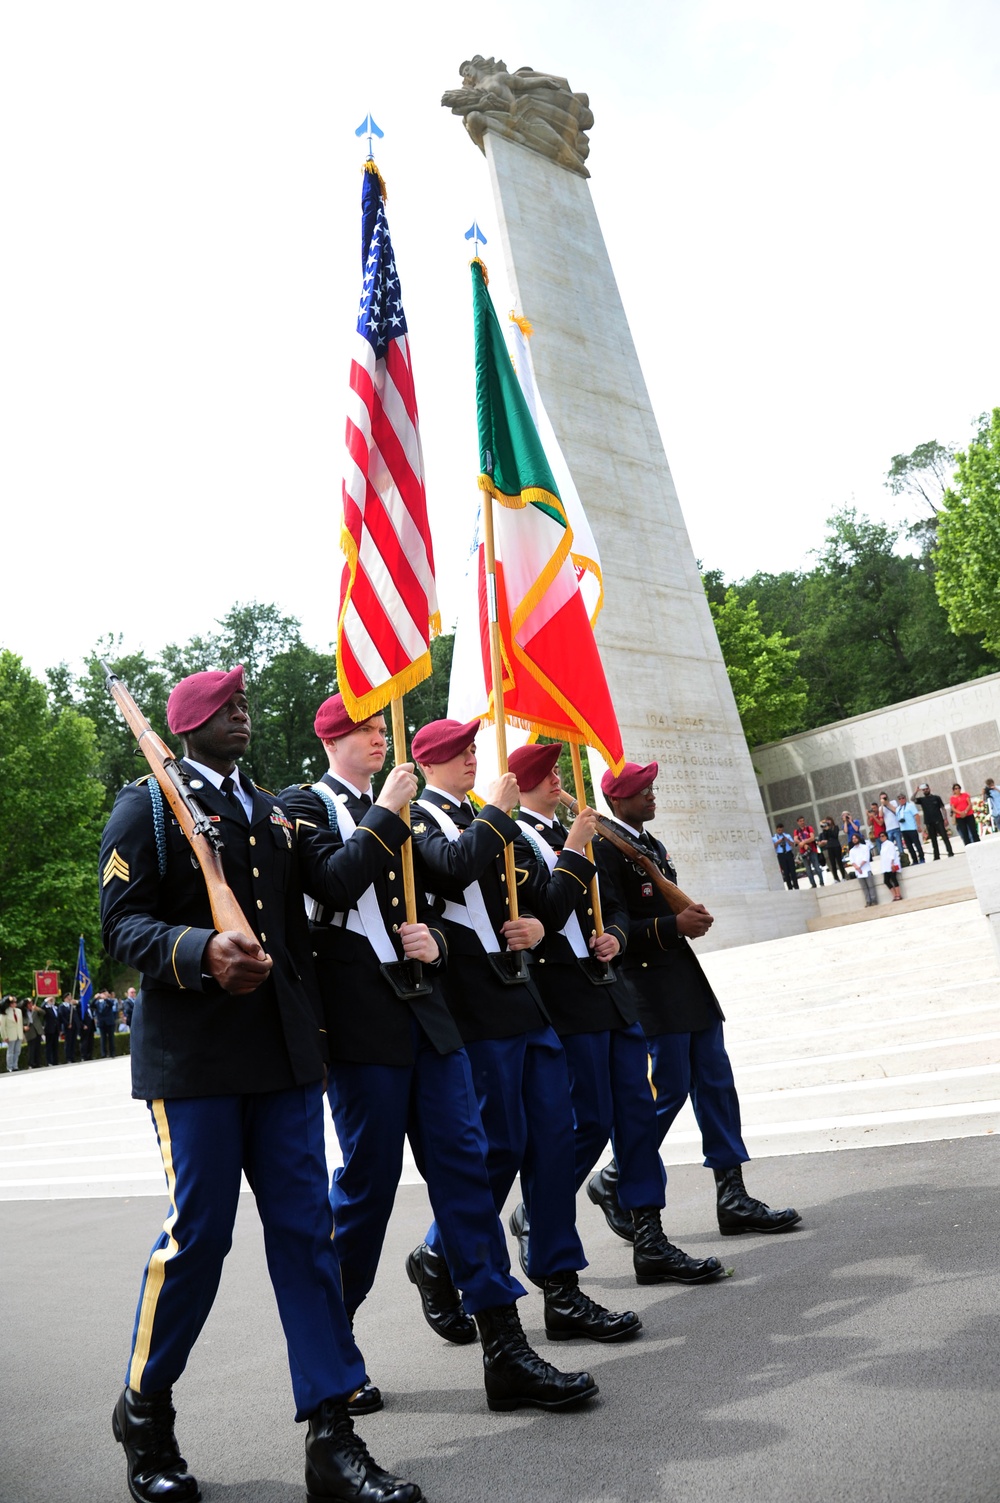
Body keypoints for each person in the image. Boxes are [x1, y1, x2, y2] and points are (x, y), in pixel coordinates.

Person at [99, 664, 423, 1503]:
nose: (241, 716)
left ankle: (331, 1436)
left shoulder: (272, 808)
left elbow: (334, 882)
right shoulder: (150, 808)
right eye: (225, 707)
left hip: (282, 1058)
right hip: (197, 1063)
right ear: (186, 724)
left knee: (307, 1238)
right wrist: (199, 950)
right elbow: (122, 924)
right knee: (199, 1240)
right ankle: (146, 1407)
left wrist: (387, 810)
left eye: (244, 705)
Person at [280, 696, 606, 1417]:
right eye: (366, 730)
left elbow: (451, 902)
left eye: (378, 727)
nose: (377, 738)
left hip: (429, 1012)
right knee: (366, 1186)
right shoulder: (303, 804)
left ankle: (505, 1348)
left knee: (466, 1169)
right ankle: (334, 1351)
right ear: (332, 738)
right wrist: (388, 810)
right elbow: (332, 883)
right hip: (360, 1022)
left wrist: (438, 940)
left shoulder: (402, 820)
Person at [407, 719, 688, 1304]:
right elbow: (454, 868)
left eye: (472, 749)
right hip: (480, 998)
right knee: (501, 1144)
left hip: (528, 993)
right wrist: (505, 819)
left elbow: (546, 900)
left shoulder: (488, 819)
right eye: (458, 751)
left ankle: (560, 1283)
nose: (470, 757)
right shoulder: (417, 818)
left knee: (558, 1138)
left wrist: (552, 914)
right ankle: (440, 1252)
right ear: (429, 762)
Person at [507, 742, 724, 1284]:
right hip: (563, 993)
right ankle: (535, 1212)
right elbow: (547, 908)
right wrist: (578, 850)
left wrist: (615, 936)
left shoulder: (574, 834)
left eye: (557, 770)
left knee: (633, 1116)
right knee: (589, 1122)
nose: (556, 778)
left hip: (608, 985)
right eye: (544, 773)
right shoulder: (514, 837)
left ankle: (650, 1239)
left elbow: (614, 911)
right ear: (518, 785)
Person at [591, 761, 801, 1239]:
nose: (652, 795)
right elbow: (611, 928)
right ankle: (616, 1178)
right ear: (618, 801)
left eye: (651, 787)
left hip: (685, 982)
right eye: (642, 790)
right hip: (648, 989)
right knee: (663, 1092)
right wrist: (673, 927)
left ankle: (733, 1195)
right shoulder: (603, 848)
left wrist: (686, 918)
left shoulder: (648, 846)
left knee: (716, 1085)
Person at [914, 784, 954, 860]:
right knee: (933, 840)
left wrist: (945, 818)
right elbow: (913, 799)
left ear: (929, 789)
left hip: (938, 821)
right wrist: (916, 791)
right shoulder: (922, 800)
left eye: (926, 789)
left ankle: (950, 852)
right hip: (929, 822)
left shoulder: (936, 798)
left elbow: (943, 808)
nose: (925, 790)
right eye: (924, 790)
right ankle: (936, 856)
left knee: (945, 837)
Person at [793, 816, 824, 887]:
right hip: (803, 852)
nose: (802, 822)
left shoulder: (809, 828)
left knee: (817, 867)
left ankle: (821, 882)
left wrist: (803, 842)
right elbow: (795, 839)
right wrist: (803, 845)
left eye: (803, 820)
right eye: (800, 821)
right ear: (798, 822)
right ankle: (813, 884)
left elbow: (812, 838)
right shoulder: (796, 831)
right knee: (808, 869)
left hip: (812, 850)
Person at [847, 834, 878, 906]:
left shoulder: (865, 847)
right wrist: (857, 868)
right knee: (864, 888)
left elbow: (866, 858)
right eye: (853, 839)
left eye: (855, 838)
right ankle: (868, 901)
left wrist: (860, 866)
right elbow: (852, 861)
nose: (854, 840)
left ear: (858, 839)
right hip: (858, 872)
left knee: (871, 886)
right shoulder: (851, 850)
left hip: (866, 869)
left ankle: (874, 900)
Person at [896, 792, 925, 865]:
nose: (902, 800)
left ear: (905, 799)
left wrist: (918, 825)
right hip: (903, 829)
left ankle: (921, 858)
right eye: (900, 799)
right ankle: (914, 860)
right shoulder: (898, 809)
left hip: (911, 828)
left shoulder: (910, 806)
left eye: (903, 798)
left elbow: (916, 815)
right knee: (909, 846)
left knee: (917, 844)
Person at [817, 817, 846, 881]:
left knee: (839, 862)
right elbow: (825, 837)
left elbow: (835, 835)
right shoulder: (825, 830)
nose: (828, 822)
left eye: (829, 820)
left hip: (836, 846)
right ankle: (836, 878)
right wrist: (825, 829)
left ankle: (844, 877)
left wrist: (829, 829)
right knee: (832, 863)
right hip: (829, 847)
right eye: (826, 821)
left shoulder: (835, 827)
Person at [1, 996, 25, 1075]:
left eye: (15, 1002)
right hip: (10, 1034)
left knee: (17, 1051)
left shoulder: (18, 1011)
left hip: (18, 1034)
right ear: (9, 1004)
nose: (15, 1003)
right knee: (10, 1051)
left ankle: (15, 1066)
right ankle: (9, 1067)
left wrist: (22, 1034)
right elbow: (2, 1026)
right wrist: (4, 1036)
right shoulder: (5, 1012)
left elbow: (20, 1023)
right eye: (13, 1002)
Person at [771, 824, 799, 889]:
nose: (780, 831)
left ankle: (796, 885)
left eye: (781, 830)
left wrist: (787, 840)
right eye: (779, 830)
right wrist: (778, 842)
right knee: (786, 872)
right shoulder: (774, 838)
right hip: (781, 855)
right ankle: (789, 887)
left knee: (792, 871)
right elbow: (773, 847)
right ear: (776, 830)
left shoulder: (787, 835)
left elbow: (793, 844)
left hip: (788, 853)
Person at [879, 793, 904, 859]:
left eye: (885, 797)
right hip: (888, 829)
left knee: (899, 845)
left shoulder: (893, 802)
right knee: (890, 846)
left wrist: (887, 803)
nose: (884, 799)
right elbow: (880, 815)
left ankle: (903, 858)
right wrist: (882, 804)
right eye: (882, 798)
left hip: (896, 827)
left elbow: (896, 810)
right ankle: (893, 859)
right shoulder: (880, 807)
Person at [878, 837, 903, 902]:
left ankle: (898, 895)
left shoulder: (890, 843)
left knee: (894, 879)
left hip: (891, 864)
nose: (881, 837)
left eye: (883, 835)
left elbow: (892, 853)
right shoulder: (882, 845)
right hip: (885, 866)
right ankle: (895, 894)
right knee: (886, 881)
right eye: (880, 836)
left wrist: (892, 863)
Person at [59, 993, 80, 1063]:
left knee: (73, 1042)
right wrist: (67, 1024)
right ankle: (68, 1058)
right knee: (68, 1043)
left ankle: (72, 1057)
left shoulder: (72, 1006)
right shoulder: (62, 1006)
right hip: (67, 1027)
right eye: (69, 997)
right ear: (65, 998)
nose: (70, 998)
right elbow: (61, 1016)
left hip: (74, 1026)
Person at [26, 998, 45, 1069]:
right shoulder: (24, 1012)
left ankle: (38, 1062)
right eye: (29, 1004)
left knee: (38, 1047)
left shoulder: (35, 1010)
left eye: (31, 1003)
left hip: (37, 1030)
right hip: (30, 1031)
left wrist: (37, 1009)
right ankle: (31, 1063)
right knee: (31, 1048)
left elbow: (43, 1013)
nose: (31, 1005)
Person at [43, 997, 61, 1065]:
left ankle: (55, 1061)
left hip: (56, 1029)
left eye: (53, 1000)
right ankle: (49, 1061)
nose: (52, 1001)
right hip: (49, 1029)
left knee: (55, 1046)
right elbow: (42, 1007)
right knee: (49, 1046)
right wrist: (46, 1000)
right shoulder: (46, 1008)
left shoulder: (56, 1008)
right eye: (50, 1000)